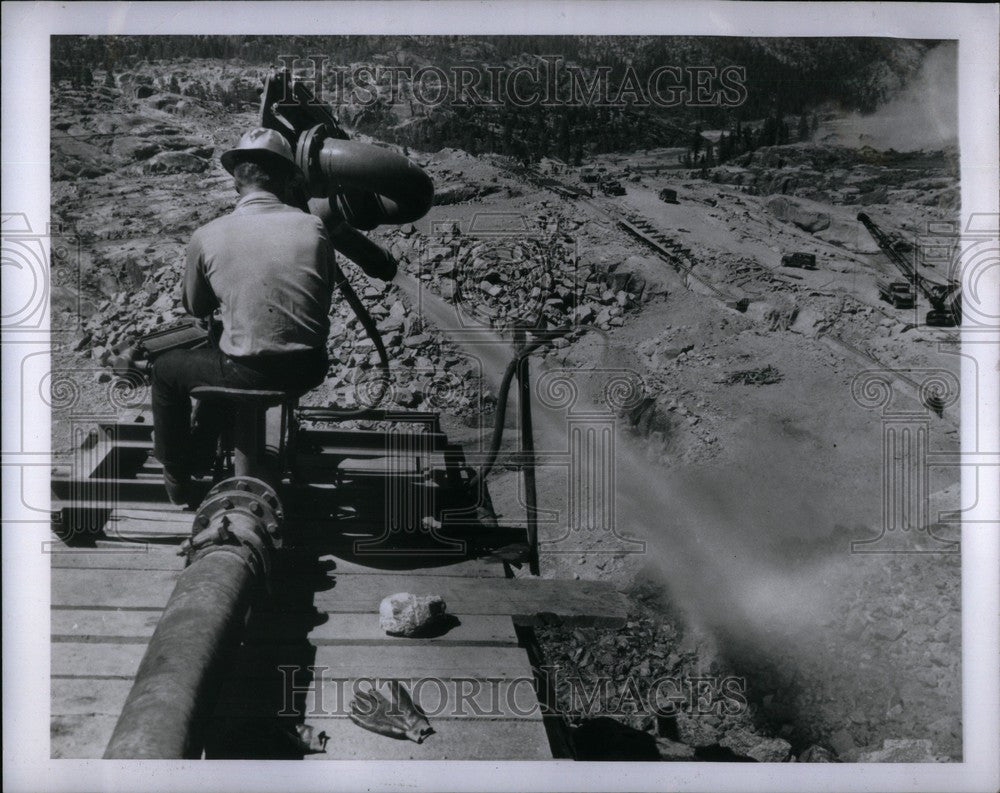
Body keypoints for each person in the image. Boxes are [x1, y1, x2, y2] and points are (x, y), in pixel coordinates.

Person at [151, 127, 334, 505]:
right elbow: (322, 296)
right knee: (233, 358)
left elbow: (197, 308)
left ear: (237, 181)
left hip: (245, 371)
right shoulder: (314, 226)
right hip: (308, 367)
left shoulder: (207, 233)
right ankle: (208, 449)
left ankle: (177, 471)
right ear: (286, 178)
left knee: (169, 371)